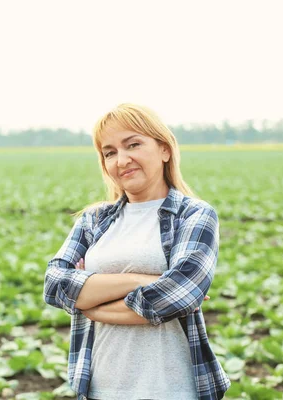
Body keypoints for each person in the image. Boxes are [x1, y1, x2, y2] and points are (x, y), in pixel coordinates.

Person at [43, 103, 231, 400]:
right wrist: (142, 281)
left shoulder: (194, 215)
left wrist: (90, 304)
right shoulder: (93, 221)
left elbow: (177, 295)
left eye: (133, 144)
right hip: (98, 389)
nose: (122, 160)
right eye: (110, 152)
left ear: (164, 150)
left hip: (171, 389)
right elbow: (55, 285)